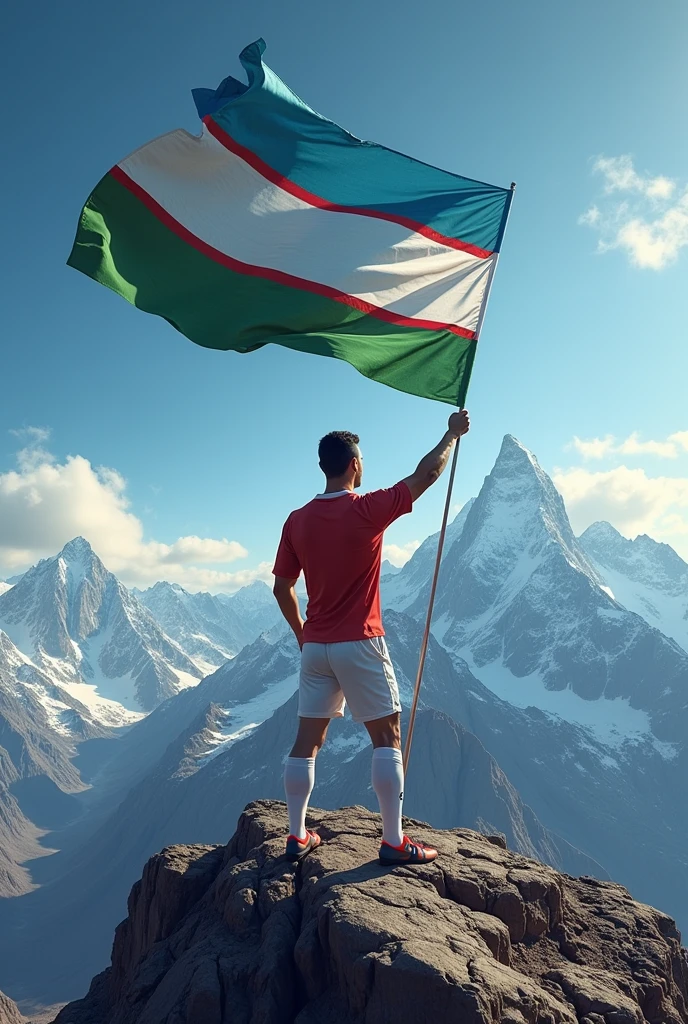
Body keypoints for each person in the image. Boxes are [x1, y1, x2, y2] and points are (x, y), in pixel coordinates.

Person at [272, 410, 470, 864]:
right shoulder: (366, 510)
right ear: (355, 465)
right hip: (360, 641)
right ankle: (394, 841)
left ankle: (298, 834)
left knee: (307, 741)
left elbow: (282, 588)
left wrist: (304, 636)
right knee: (387, 736)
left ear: (325, 466)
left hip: (316, 647)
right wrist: (450, 435)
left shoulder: (296, 521)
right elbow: (427, 474)